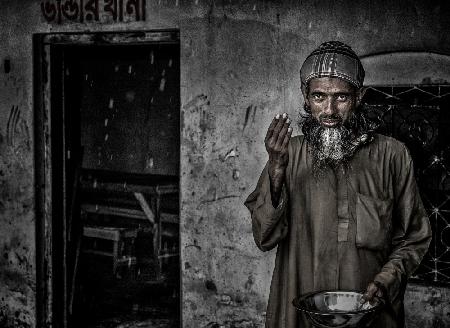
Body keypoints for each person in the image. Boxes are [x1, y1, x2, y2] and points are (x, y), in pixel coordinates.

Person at [244, 41, 432, 328]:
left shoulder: (392, 155)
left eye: (341, 97)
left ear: (359, 97)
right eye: (318, 97)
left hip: (371, 312)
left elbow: (415, 237)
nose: (329, 111)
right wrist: (277, 171)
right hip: (299, 312)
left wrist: (386, 280)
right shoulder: (288, 154)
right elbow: (263, 237)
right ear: (305, 98)